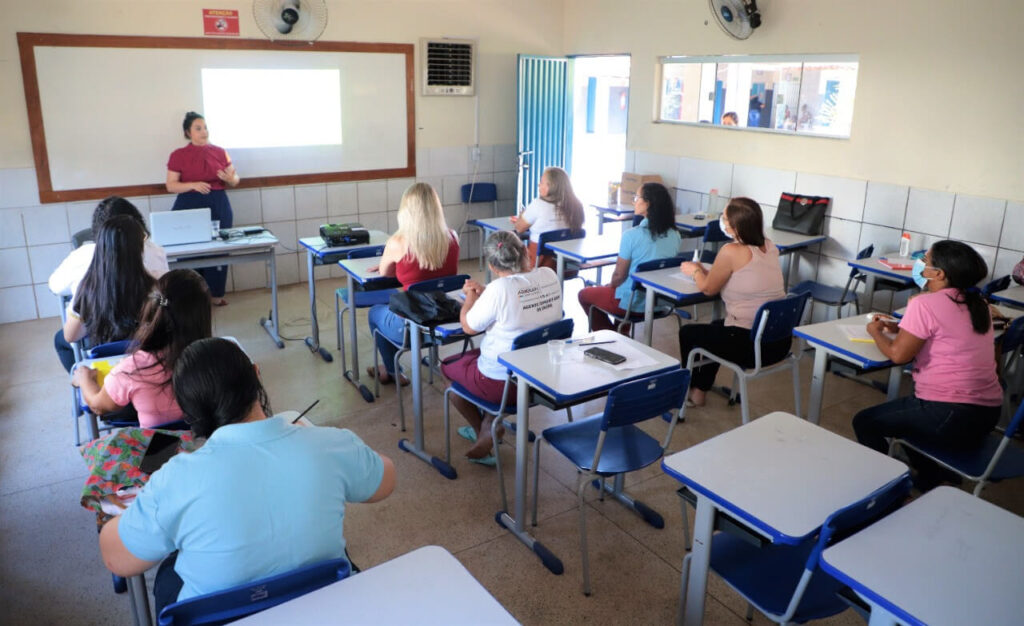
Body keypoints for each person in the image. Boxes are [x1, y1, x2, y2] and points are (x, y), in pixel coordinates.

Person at [98, 337, 396, 614]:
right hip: (322, 609)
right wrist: (318, 442)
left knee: (168, 574)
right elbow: (386, 481)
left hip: (219, 617)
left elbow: (117, 559)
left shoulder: (176, 478)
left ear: (187, 409)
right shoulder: (330, 444)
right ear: (256, 374)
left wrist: (144, 504)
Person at [852, 241, 1002, 489]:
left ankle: (886, 488)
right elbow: (948, 333)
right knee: (903, 418)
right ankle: (932, 477)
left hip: (949, 414)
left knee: (865, 422)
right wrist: (902, 328)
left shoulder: (924, 304)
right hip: (987, 414)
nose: (920, 263)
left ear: (939, 273)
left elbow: (899, 355)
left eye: (927, 260)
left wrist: (875, 331)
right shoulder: (980, 305)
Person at [442, 231, 562, 461]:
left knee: (448, 369)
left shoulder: (499, 290)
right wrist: (487, 295)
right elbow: (521, 297)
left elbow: (468, 326)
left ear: (493, 267)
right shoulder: (549, 274)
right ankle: (490, 421)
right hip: (540, 377)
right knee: (488, 356)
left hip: (502, 384)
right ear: (526, 252)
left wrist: (470, 297)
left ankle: (485, 431)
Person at [677, 197, 788, 407]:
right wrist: (706, 271)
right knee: (715, 328)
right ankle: (700, 390)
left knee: (689, 333)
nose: (722, 221)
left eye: (725, 218)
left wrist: (696, 272)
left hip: (751, 345)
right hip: (778, 340)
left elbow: (709, 289)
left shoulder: (731, 250)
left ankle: (688, 391)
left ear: (735, 225)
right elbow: (740, 276)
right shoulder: (770, 246)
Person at [71, 270, 212, 428]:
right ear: (205, 315)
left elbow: (98, 405)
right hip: (209, 446)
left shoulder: (133, 369)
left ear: (151, 309)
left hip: (159, 450)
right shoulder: (220, 355)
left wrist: (84, 380)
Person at [51, 197, 169, 372]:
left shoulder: (88, 290)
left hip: (102, 356)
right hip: (145, 348)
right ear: (140, 245)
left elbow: (71, 335)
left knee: (61, 340)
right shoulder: (153, 287)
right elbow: (166, 311)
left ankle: (84, 386)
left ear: (99, 244)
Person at [366, 183, 460, 385]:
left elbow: (386, 273)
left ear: (406, 211)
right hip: (444, 319)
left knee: (375, 312)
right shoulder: (453, 237)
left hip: (411, 326)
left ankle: (393, 371)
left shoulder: (398, 242)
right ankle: (426, 362)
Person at [578, 182, 681, 333]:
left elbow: (619, 275)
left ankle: (611, 337)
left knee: (584, 295)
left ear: (648, 204)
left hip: (630, 303)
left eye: (637, 197)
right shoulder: (675, 235)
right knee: (620, 290)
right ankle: (621, 334)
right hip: (658, 303)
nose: (634, 201)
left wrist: (611, 286)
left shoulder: (631, 235)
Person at [166, 111, 240, 306]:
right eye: (198, 128)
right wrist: (193, 185)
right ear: (188, 132)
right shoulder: (178, 155)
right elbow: (171, 185)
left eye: (205, 127)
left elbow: (235, 179)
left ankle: (215, 294)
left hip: (218, 203)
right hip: (188, 205)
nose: (204, 131)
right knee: (189, 249)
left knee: (219, 247)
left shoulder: (220, 151)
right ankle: (191, 296)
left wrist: (229, 179)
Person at [510, 167, 584, 270]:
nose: (539, 185)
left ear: (550, 186)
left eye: (541, 182)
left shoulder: (538, 204)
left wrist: (523, 214)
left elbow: (519, 228)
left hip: (539, 265)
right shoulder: (577, 205)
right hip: (569, 267)